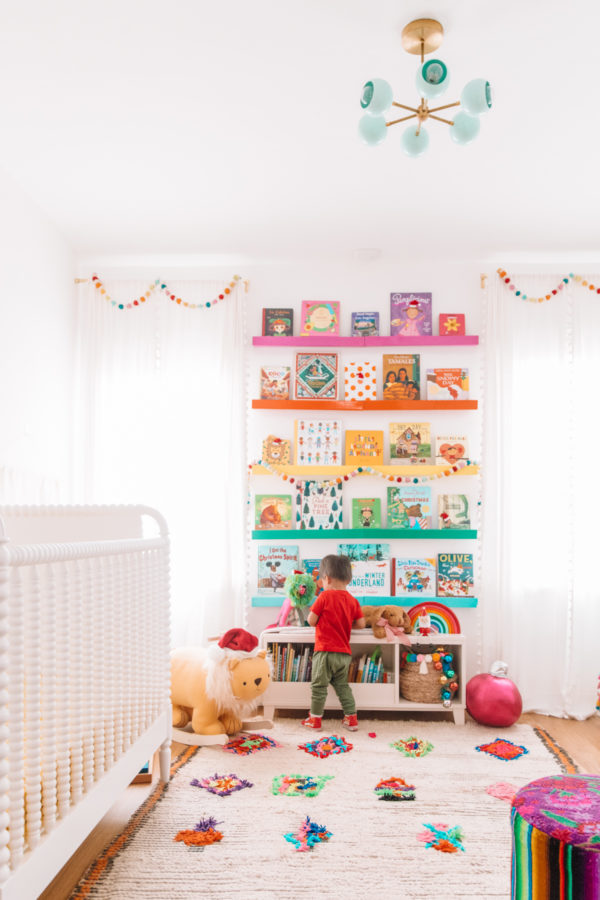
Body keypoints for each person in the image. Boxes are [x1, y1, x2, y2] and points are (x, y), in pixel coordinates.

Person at [302, 554, 365, 731]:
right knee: (342, 686)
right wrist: (344, 622)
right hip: (344, 654)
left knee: (319, 686)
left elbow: (311, 621)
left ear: (326, 578)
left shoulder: (324, 597)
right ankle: (351, 718)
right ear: (349, 580)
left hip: (325, 651)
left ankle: (314, 720)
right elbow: (361, 624)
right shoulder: (353, 601)